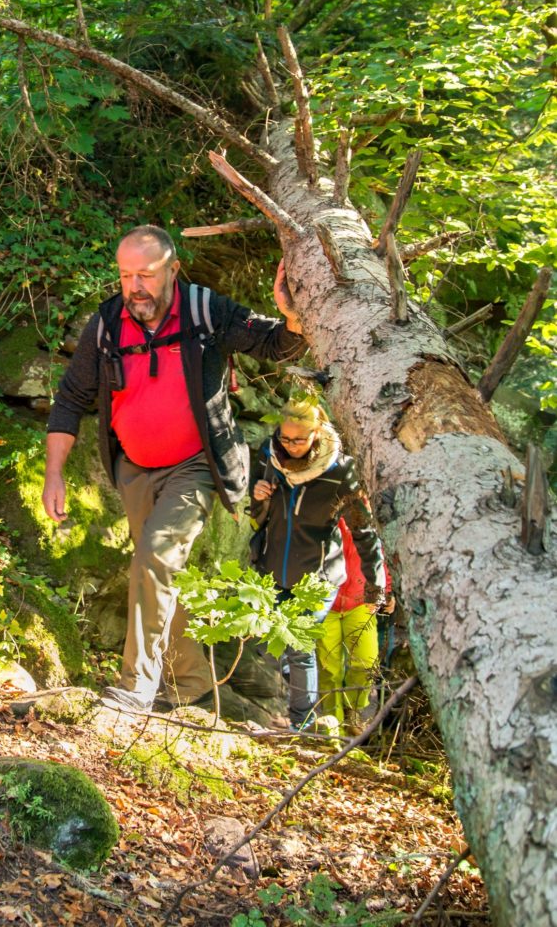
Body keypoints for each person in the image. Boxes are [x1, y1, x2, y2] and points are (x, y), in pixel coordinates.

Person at [42, 224, 305, 714]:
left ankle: (137, 687)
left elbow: (276, 345)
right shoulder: (105, 327)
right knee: (161, 571)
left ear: (174, 269)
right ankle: (191, 684)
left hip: (196, 467)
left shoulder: (206, 312)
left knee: (155, 558)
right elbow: (70, 399)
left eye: (146, 274)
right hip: (135, 470)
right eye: (126, 275)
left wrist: (292, 317)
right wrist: (54, 474)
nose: (135, 287)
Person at [249, 401, 385, 731]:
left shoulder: (340, 472)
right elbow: (257, 515)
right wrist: (258, 494)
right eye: (285, 438)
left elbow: (363, 530)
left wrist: (375, 581)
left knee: (299, 645)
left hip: (320, 578)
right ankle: (300, 710)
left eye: (298, 440)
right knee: (273, 643)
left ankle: (302, 724)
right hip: (274, 571)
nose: (290, 446)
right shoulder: (270, 458)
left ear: (317, 433)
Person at [317, 518, 395, 736]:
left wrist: (385, 590)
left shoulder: (372, 514)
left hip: (361, 600)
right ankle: (333, 723)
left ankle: (353, 711)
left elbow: (382, 555)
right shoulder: (330, 508)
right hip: (327, 601)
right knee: (328, 667)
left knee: (365, 660)